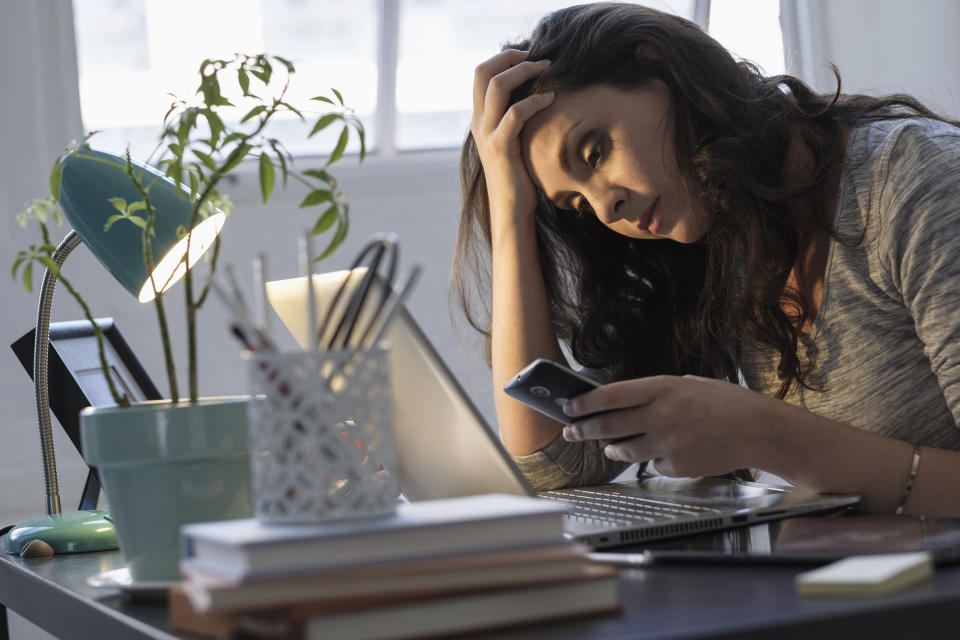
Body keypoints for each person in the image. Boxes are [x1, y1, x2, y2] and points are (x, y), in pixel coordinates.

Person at [453, 2, 960, 516]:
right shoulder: (716, 240)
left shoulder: (920, 181)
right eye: (578, 204)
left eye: (594, 152)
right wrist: (510, 209)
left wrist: (765, 435)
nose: (606, 207)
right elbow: (552, 462)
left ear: (659, 69)